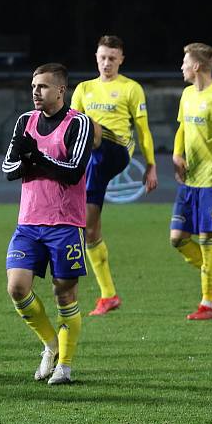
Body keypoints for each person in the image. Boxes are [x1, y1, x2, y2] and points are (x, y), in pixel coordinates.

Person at [2, 63, 94, 385]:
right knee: (17, 288)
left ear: (60, 90)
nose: (35, 92)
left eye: (42, 86)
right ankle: (51, 345)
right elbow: (9, 167)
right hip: (28, 222)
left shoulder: (79, 123)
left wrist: (36, 158)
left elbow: (72, 171)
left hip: (65, 223)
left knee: (64, 294)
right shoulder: (25, 121)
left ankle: (65, 367)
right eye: (33, 86)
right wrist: (28, 160)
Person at [71, 35, 158, 316]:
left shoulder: (131, 89)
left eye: (112, 58)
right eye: (103, 57)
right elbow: (67, 129)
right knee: (90, 231)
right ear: (96, 57)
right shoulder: (84, 88)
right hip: (93, 159)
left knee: (88, 124)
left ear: (121, 59)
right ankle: (108, 295)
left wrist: (151, 165)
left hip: (118, 149)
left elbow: (143, 130)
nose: (107, 63)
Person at [169, 43, 212, 320]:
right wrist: (176, 154)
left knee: (208, 240)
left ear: (196, 66)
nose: (182, 67)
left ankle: (206, 304)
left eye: (185, 62)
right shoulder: (186, 94)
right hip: (190, 182)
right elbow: (182, 128)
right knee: (177, 239)